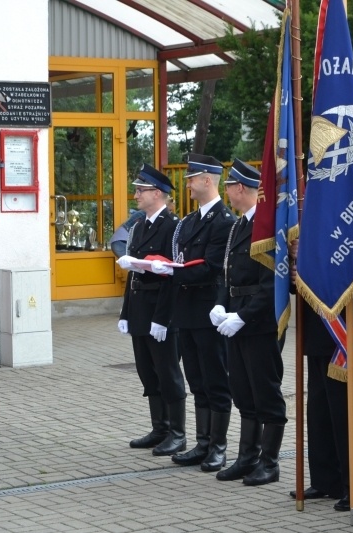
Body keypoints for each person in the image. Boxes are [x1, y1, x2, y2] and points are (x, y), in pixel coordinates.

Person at [211, 159, 286, 486]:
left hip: (259, 323)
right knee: (243, 392)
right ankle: (247, 458)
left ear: (240, 188)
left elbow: (271, 285)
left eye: (228, 186)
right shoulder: (240, 226)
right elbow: (227, 274)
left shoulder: (266, 227)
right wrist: (221, 304)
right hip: (236, 318)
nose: (226, 192)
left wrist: (243, 316)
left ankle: (269, 463)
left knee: (266, 393)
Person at [288, 237, 353, 510]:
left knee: (346, 414)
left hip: (344, 332)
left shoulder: (348, 223)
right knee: (319, 412)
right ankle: (326, 480)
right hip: (316, 329)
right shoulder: (311, 228)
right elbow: (298, 285)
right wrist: (296, 263)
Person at [169, 153, 235, 472]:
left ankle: (218, 447)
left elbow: (211, 268)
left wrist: (170, 271)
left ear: (207, 180)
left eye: (192, 180)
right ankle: (203, 442)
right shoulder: (190, 221)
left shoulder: (224, 221)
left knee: (215, 381)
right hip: (188, 312)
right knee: (196, 380)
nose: (188, 185)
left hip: (209, 312)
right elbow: (183, 259)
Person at [116, 163, 187, 456]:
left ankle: (177, 433)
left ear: (157, 193)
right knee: (147, 371)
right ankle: (159, 428)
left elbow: (174, 277)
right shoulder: (139, 226)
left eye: (140, 190)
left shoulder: (173, 227)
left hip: (161, 311)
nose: (136, 195)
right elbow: (133, 272)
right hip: (139, 309)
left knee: (168, 372)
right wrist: (125, 313)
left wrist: (163, 318)